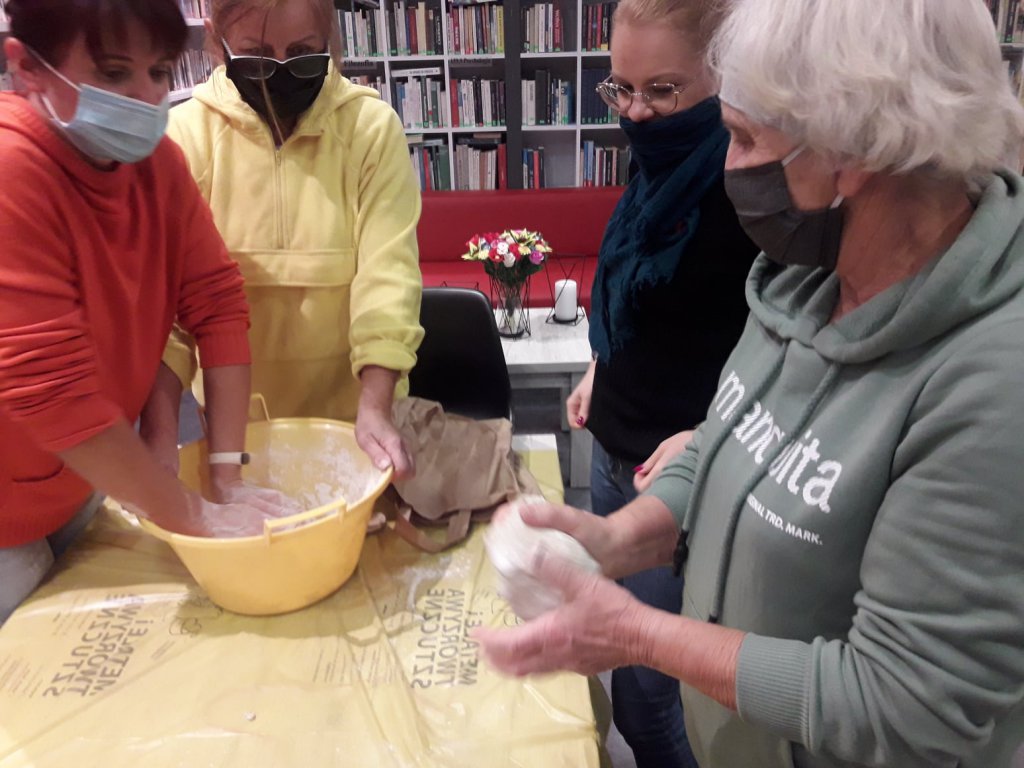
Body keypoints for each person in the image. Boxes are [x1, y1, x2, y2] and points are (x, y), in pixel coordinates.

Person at [477, 1, 1024, 766]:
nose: (728, 166)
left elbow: (908, 706)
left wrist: (638, 634)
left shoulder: (994, 381)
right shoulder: (805, 279)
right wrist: (617, 539)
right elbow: (729, 439)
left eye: (741, 137)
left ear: (852, 147)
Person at [0, 0, 296, 624]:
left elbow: (216, 305)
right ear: (25, 66)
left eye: (159, 72)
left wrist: (226, 473)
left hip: (79, 484)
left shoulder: (159, 167)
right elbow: (51, 394)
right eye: (113, 73)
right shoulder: (12, 171)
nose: (144, 97)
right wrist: (194, 516)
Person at [565, 0, 756, 763]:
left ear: (722, 76)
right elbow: (634, 292)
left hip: (677, 476)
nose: (638, 113)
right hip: (617, 452)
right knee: (636, 683)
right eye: (622, 90)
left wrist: (711, 439)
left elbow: (769, 354)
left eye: (665, 91)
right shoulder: (657, 171)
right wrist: (598, 367)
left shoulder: (748, 189)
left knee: (655, 701)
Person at [140, 0, 424, 479]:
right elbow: (167, 319)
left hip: (355, 421)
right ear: (215, 40)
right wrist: (159, 437)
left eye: (301, 53)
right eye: (255, 54)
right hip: (237, 434)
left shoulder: (370, 131)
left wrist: (375, 407)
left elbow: (387, 281)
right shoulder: (186, 140)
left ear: (330, 39)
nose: (278, 73)